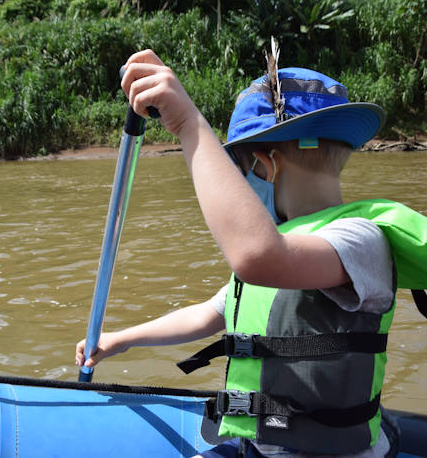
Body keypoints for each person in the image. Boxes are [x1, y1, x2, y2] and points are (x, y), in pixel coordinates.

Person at [76, 48, 398, 457]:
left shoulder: (359, 240)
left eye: (239, 174)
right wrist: (120, 340)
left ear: (266, 167)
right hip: (259, 448)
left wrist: (188, 123)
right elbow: (207, 315)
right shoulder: (285, 250)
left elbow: (256, 255)